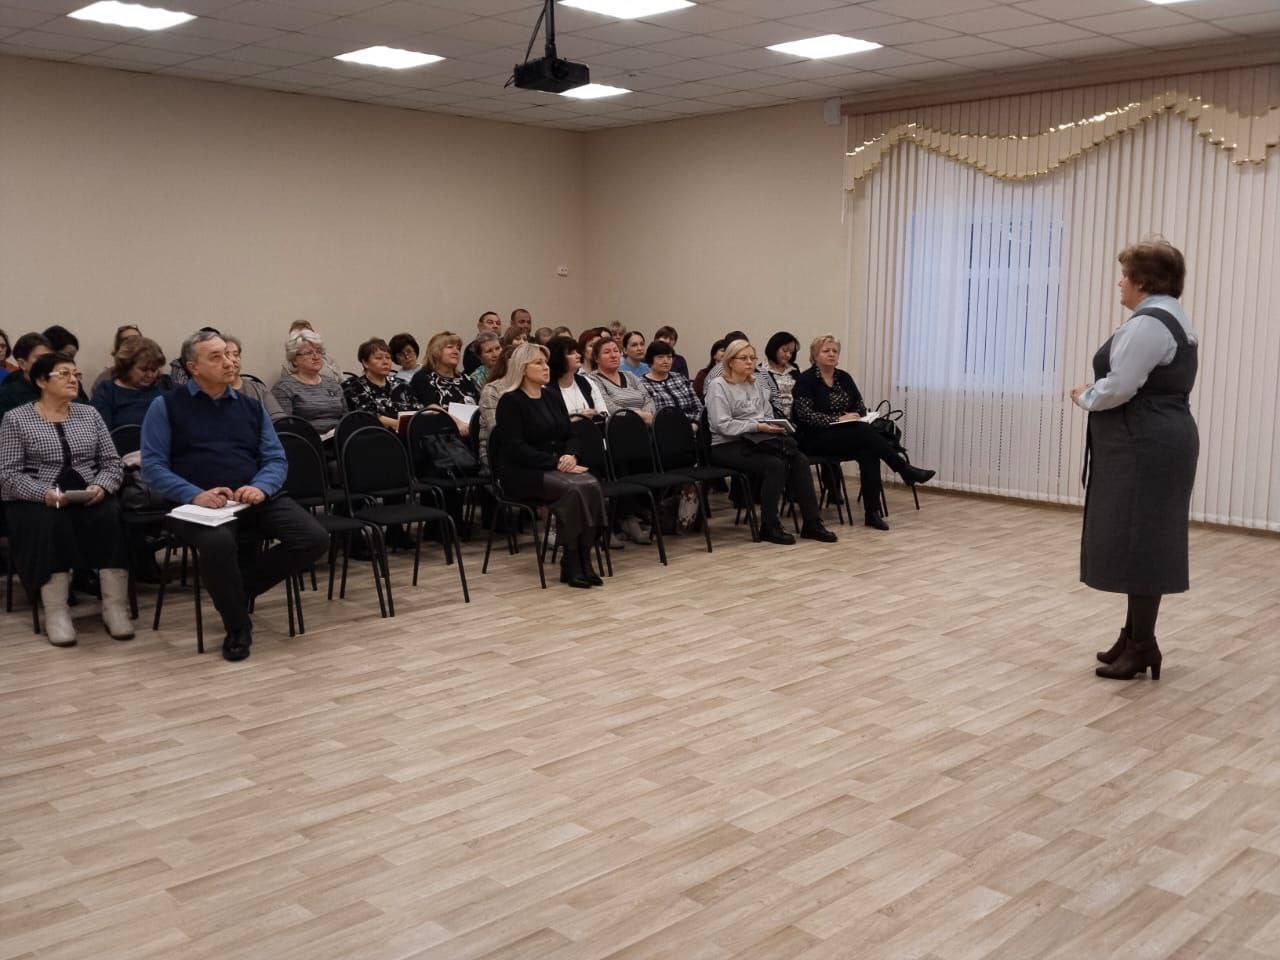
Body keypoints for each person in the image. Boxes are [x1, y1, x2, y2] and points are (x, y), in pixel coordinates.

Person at [141, 331, 328, 662]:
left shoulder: (251, 407)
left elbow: (275, 459)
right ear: (193, 367)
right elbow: (153, 467)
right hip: (195, 504)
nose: (229, 362)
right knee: (218, 543)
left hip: (251, 496)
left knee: (313, 537)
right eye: (216, 357)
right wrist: (194, 494)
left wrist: (262, 487)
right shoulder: (166, 406)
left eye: (229, 354)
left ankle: (234, 592)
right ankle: (238, 626)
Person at [1072, 239, 1199, 682]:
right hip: (1155, 440)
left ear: (1144, 280)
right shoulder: (1170, 317)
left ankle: (1142, 644)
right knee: (1140, 538)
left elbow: (1120, 386)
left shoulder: (1148, 324)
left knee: (1143, 541)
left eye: (1125, 275)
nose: (1120, 283)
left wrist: (1085, 395)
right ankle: (1134, 636)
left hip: (1145, 444)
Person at [0, 351, 132, 647]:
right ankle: (57, 611)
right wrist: (43, 493)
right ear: (41, 381)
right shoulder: (16, 419)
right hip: (38, 499)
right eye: (64, 374)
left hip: (88, 493)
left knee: (111, 516)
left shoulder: (90, 414)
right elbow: (7, 474)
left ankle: (114, 607)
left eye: (76, 374)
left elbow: (112, 462)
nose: (73, 379)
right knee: (50, 522)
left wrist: (101, 486)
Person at [491, 343, 606, 589]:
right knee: (574, 489)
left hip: (555, 467)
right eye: (538, 363)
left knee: (591, 484)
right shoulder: (510, 401)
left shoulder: (552, 396)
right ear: (522, 368)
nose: (546, 367)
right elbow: (515, 448)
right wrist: (556, 462)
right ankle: (572, 561)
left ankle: (584, 557)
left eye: (546, 362)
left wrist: (571, 456)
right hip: (522, 473)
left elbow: (570, 434)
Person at [792, 336, 935, 531]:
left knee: (870, 452)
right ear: (815, 356)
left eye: (835, 351)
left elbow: (859, 407)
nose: (831, 354)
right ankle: (905, 470)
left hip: (845, 435)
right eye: (826, 351)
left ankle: (872, 513)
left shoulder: (844, 378)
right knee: (863, 432)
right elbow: (805, 416)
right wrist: (837, 419)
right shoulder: (805, 380)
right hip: (814, 438)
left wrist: (855, 416)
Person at [705, 339, 837, 546]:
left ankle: (812, 523)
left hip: (757, 439)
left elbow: (766, 414)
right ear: (730, 361)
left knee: (799, 459)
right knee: (775, 465)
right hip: (726, 445)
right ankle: (769, 526)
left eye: (752, 358)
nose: (750, 362)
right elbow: (722, 425)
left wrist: (774, 425)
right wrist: (757, 426)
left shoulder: (755, 383)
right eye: (744, 358)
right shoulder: (718, 386)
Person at [271, 330, 349, 434]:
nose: (316, 357)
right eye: (308, 353)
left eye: (319, 351)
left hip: (339, 438)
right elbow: (285, 427)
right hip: (307, 440)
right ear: (294, 360)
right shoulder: (284, 387)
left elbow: (346, 419)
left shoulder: (332, 384)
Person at [90, 336, 168, 431]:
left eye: (154, 370)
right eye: (144, 370)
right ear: (126, 367)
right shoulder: (107, 391)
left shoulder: (165, 385)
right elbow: (100, 432)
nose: (150, 375)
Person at [343, 338, 421, 429]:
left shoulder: (402, 384)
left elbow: (417, 410)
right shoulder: (354, 387)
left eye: (388, 358)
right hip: (375, 433)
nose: (385, 362)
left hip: (409, 431)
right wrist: (401, 425)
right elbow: (366, 416)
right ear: (365, 363)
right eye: (378, 358)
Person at [411, 331, 480, 434]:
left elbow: (479, 405)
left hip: (473, 431)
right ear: (436, 351)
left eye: (458, 348)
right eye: (450, 347)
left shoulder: (465, 378)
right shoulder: (423, 377)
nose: (456, 351)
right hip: (442, 435)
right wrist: (458, 423)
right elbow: (431, 408)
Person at [587, 339, 655, 424]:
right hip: (618, 425)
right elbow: (609, 407)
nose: (613, 355)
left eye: (616, 351)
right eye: (607, 352)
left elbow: (648, 399)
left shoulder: (629, 375)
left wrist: (647, 414)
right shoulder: (593, 379)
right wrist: (638, 416)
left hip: (646, 423)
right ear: (596, 358)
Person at [223, 335, 284, 420]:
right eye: (227, 355)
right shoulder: (215, 393)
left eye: (236, 355)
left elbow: (279, 419)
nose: (233, 359)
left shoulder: (258, 389)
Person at [547, 336, 606, 419]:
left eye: (576, 351)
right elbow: (549, 423)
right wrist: (577, 418)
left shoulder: (586, 381)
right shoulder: (546, 388)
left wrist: (597, 415)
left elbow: (603, 412)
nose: (578, 355)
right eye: (571, 353)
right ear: (558, 358)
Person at [640, 340, 701, 422]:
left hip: (692, 425)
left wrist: (695, 424)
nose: (666, 361)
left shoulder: (680, 378)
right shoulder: (642, 383)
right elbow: (650, 416)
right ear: (650, 360)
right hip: (663, 426)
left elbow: (698, 407)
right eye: (660, 357)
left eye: (669, 357)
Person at [0, 333, 53, 418]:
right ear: (22, 364)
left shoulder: (60, 387)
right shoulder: (6, 396)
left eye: (51, 358)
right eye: (41, 358)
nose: (48, 363)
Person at [477, 346, 513, 467]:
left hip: (532, 450)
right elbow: (499, 433)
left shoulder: (541, 389)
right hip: (498, 453)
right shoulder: (493, 390)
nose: (545, 367)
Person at [277, 320, 343, 382]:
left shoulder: (328, 358)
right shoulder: (288, 367)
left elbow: (342, 380)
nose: (305, 339)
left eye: (308, 334)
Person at [758, 332, 801, 418]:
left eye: (791, 352)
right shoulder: (760, 371)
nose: (788, 355)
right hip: (772, 418)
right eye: (785, 350)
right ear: (774, 348)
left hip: (796, 418)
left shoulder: (794, 369)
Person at [90, 324, 142, 394]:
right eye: (126, 340)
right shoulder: (105, 379)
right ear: (118, 348)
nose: (132, 343)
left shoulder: (153, 375)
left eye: (136, 339)